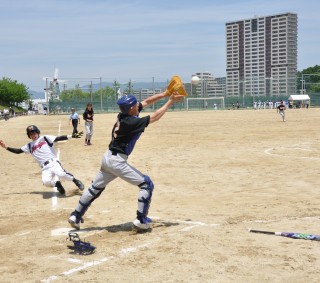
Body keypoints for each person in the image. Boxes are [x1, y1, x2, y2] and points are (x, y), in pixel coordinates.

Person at [68, 91, 184, 231]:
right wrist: (170, 101)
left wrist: (165, 93)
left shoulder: (125, 115)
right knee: (146, 184)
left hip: (108, 158)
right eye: (135, 104)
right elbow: (155, 117)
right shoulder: (131, 122)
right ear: (131, 109)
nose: (138, 105)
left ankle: (75, 215)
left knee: (95, 188)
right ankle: (141, 220)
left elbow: (147, 102)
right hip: (117, 162)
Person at [0, 125, 85, 195]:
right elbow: (18, 151)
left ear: (38, 132)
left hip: (53, 162)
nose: (33, 135)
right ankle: (57, 184)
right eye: (30, 134)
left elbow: (58, 138)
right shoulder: (29, 146)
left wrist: (71, 136)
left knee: (61, 174)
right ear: (29, 136)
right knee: (46, 182)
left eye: (34, 132)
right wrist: (5, 147)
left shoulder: (45, 138)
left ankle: (76, 181)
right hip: (44, 168)